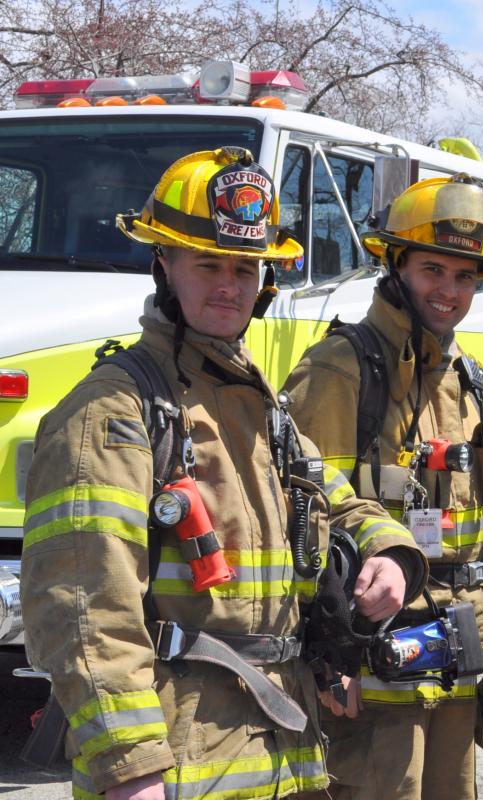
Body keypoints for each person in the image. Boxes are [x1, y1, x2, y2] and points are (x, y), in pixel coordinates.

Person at [20, 146, 427, 800]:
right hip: (177, 768)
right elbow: (85, 608)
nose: (228, 286)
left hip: (282, 755)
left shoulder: (260, 408)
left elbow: (337, 501)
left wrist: (391, 554)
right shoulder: (114, 410)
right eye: (207, 263)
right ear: (164, 264)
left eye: (244, 267)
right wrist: (130, 766)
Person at [283, 173, 483, 799]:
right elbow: (302, 511)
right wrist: (327, 655)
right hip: (370, 668)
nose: (449, 291)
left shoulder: (463, 376)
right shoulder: (340, 368)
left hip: (454, 657)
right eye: (432, 270)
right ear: (395, 266)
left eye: (466, 276)